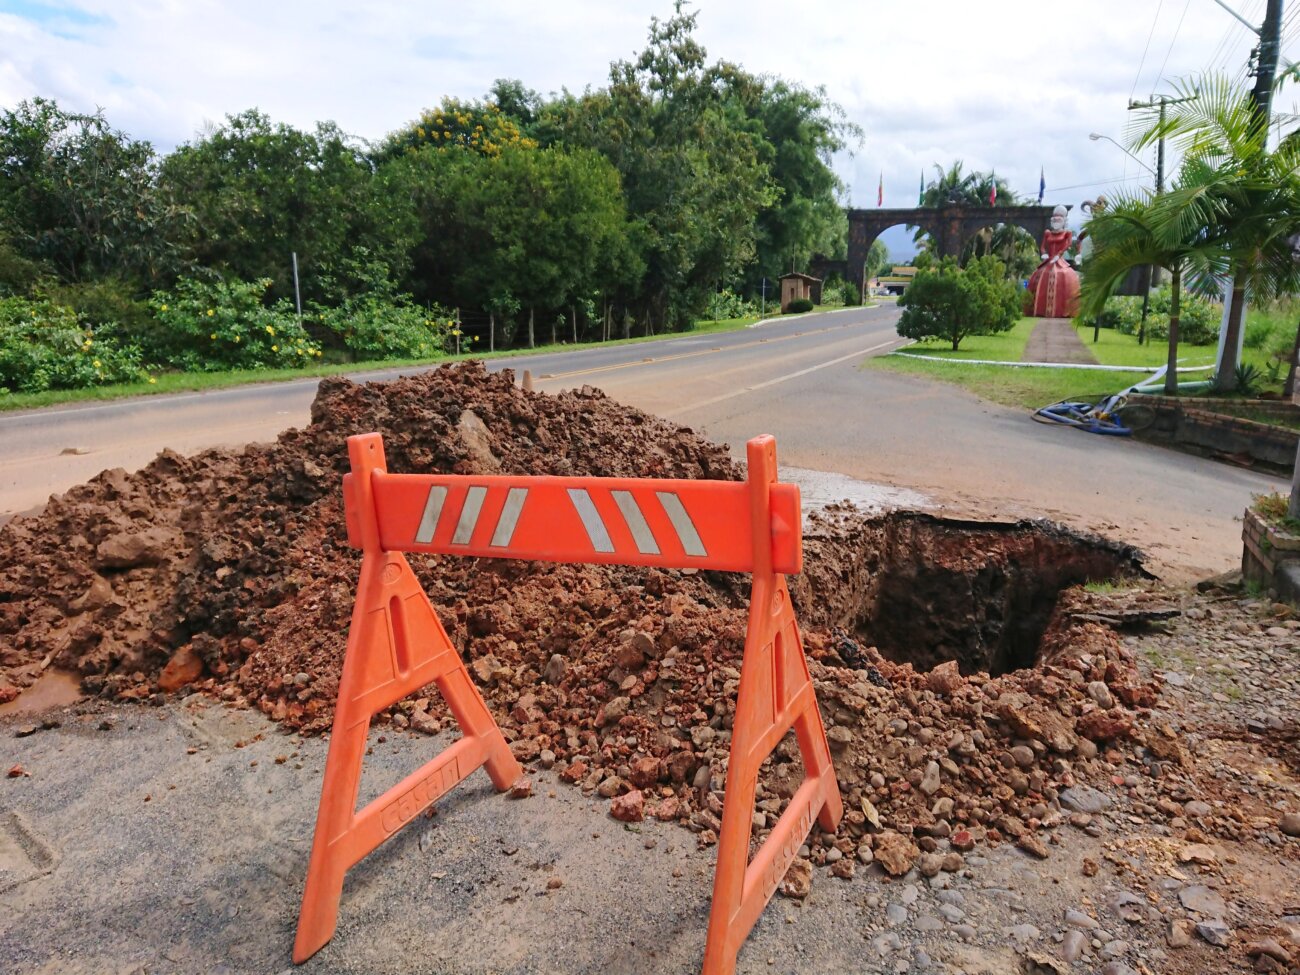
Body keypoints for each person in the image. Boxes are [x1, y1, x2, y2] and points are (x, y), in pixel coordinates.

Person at [1025, 205, 1080, 317]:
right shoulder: (1047, 233)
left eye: (1059, 218)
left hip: (1060, 261)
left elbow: (1067, 245)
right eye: (1054, 217)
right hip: (1048, 260)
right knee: (1039, 276)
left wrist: (1058, 255)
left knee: (1066, 277)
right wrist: (1044, 253)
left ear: (1064, 220)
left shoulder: (1067, 233)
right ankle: (1038, 310)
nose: (1056, 220)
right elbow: (1043, 246)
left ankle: (1064, 311)